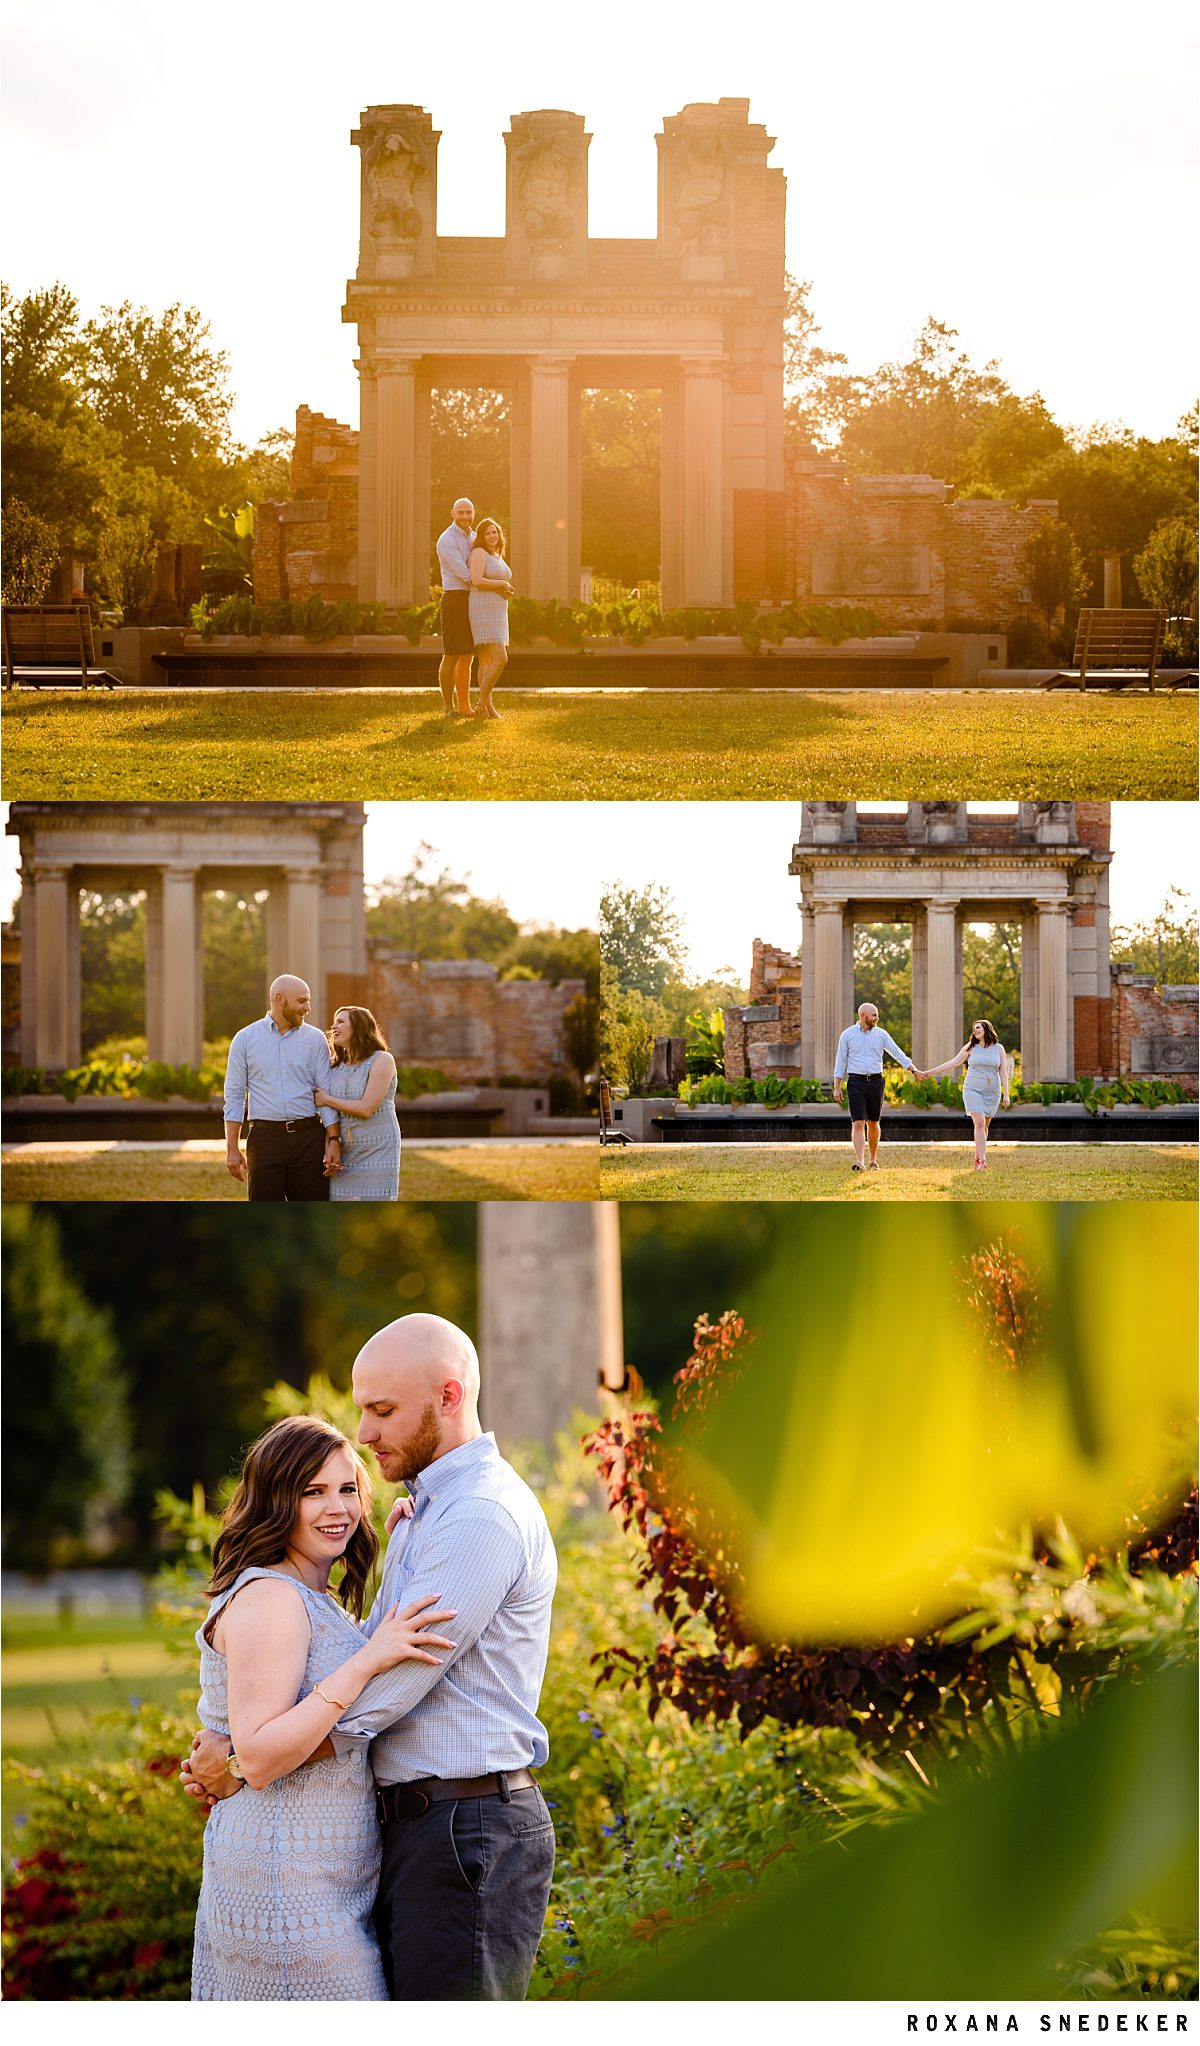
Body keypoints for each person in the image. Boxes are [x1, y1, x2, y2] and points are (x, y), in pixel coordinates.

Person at [183, 1313, 559, 2003]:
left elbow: (390, 1690)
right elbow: (346, 1661)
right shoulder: (427, 1513)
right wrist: (244, 1742)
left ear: (449, 1397)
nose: (364, 1433)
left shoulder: (478, 1515)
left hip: (465, 1828)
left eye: (382, 1411)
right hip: (413, 1834)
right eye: (362, 1410)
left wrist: (244, 1758)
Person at [190, 1414, 457, 2000]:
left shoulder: (313, 1595)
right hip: (284, 1884)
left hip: (321, 1878)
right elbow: (257, 1756)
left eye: (346, 1490)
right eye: (313, 1492)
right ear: (275, 1502)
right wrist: (366, 1661)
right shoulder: (271, 1599)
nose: (336, 1508)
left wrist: (403, 1545)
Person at [223, 975, 342, 1200]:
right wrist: (232, 1148)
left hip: (309, 1139)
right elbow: (235, 1096)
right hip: (265, 1140)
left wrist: (334, 1141)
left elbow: (325, 1094)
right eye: (301, 1001)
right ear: (279, 999)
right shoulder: (245, 1039)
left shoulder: (316, 1039)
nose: (307, 1008)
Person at [313, 1004, 401, 1201]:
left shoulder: (382, 1060)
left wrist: (327, 1099)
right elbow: (329, 1113)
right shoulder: (335, 1066)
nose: (333, 1027)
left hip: (378, 1148)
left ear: (359, 1027)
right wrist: (331, 1143)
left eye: (341, 1022)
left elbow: (366, 1108)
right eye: (334, 1022)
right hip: (344, 1150)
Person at [832, 1002, 917, 1172]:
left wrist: (914, 1070)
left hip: (876, 1083)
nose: (877, 1018)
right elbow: (840, 1060)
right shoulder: (847, 1035)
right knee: (858, 1122)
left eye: (876, 1015)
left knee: (873, 1122)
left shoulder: (881, 1035)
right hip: (856, 1082)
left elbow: (897, 1052)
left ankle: (872, 1160)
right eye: (874, 1015)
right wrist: (837, 1085)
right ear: (863, 1015)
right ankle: (859, 1161)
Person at [921, 1017, 1012, 1170]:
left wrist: (1006, 1094)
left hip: (992, 1091)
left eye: (978, 1028)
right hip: (972, 1089)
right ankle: (982, 1161)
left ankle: (977, 1156)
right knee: (980, 1122)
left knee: (985, 1126)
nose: (975, 1030)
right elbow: (953, 1062)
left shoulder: (999, 1048)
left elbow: (1003, 1071)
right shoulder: (971, 1047)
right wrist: (930, 1072)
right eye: (974, 1028)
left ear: (987, 1029)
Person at [468, 517, 513, 719]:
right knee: (501, 658)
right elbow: (477, 580)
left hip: (498, 610)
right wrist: (502, 584)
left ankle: (488, 708)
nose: (492, 535)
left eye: (495, 532)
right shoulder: (478, 553)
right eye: (487, 533)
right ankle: (480, 704)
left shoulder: (497, 554)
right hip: (483, 609)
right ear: (481, 536)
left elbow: (497, 582)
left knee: (485, 661)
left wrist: (506, 589)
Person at [435, 497, 477, 715]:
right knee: (451, 654)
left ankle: (465, 706)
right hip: (454, 599)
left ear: (474, 513)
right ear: (452, 513)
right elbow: (463, 573)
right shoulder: (446, 540)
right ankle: (448, 708)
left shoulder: (475, 537)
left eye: (468, 512)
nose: (465, 517)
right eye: (461, 512)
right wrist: (492, 582)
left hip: (473, 599)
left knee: (468, 655)